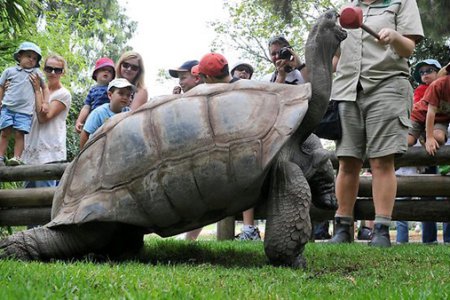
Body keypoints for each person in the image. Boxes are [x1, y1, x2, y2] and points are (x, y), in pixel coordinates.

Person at [329, 0, 424, 247]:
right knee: (347, 160)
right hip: (348, 90)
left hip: (386, 86)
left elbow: (408, 49)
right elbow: (336, 60)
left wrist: (394, 36)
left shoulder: (401, 2)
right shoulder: (346, 9)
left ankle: (381, 229)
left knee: (382, 160)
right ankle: (342, 228)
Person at [23, 54, 72, 188]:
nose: (52, 73)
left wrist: (38, 91)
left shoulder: (64, 94)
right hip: (31, 150)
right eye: (49, 68)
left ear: (63, 73)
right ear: (44, 69)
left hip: (49, 154)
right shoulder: (34, 90)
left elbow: (43, 118)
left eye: (57, 70)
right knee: (27, 197)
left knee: (45, 198)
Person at [168, 60, 204, 241]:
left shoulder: (204, 95)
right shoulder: (185, 97)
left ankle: (190, 238)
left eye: (184, 77)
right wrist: (175, 100)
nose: (180, 82)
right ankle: (189, 238)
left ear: (197, 77)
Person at [0, 41, 49, 166]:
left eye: (34, 58)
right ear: (20, 56)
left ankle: (17, 158)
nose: (31, 60)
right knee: (5, 132)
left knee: (19, 134)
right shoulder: (9, 71)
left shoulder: (37, 73)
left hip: (24, 111)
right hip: (8, 108)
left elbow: (45, 88)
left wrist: (45, 103)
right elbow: (1, 87)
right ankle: (0, 157)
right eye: (28, 56)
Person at [79, 78, 134, 148]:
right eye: (121, 93)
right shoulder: (99, 113)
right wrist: (84, 155)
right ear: (110, 95)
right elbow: (85, 133)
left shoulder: (129, 114)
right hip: (97, 149)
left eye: (128, 95)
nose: (125, 97)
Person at [409, 59, 444, 149]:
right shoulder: (420, 89)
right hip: (420, 118)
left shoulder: (443, 88)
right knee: (407, 140)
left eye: (429, 70)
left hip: (438, 119)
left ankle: (426, 136)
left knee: (439, 137)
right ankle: (422, 135)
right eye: (422, 72)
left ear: (439, 73)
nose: (425, 74)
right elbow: (416, 108)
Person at [75, 57, 115, 133]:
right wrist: (79, 121)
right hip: (93, 120)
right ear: (96, 73)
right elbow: (86, 107)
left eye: (110, 71)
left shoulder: (113, 89)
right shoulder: (92, 90)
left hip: (109, 119)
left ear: (112, 77)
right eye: (103, 69)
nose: (106, 71)